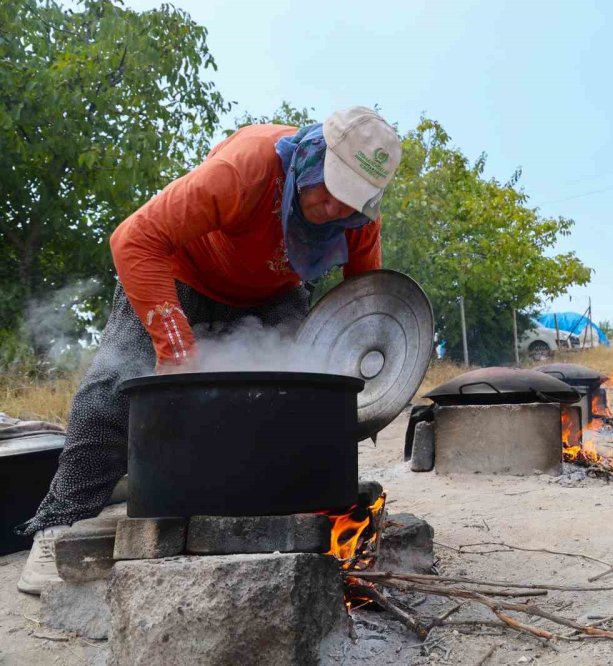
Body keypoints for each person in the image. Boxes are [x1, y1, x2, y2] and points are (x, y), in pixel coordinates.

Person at [15, 106, 402, 594]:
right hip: (177, 276)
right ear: (312, 157)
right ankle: (57, 528)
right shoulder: (249, 167)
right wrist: (175, 346)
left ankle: (265, 508)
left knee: (297, 395)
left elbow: (363, 309)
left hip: (271, 299)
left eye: (349, 203)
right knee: (116, 391)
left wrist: (366, 383)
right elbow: (134, 240)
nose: (333, 209)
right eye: (327, 189)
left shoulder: (357, 219)